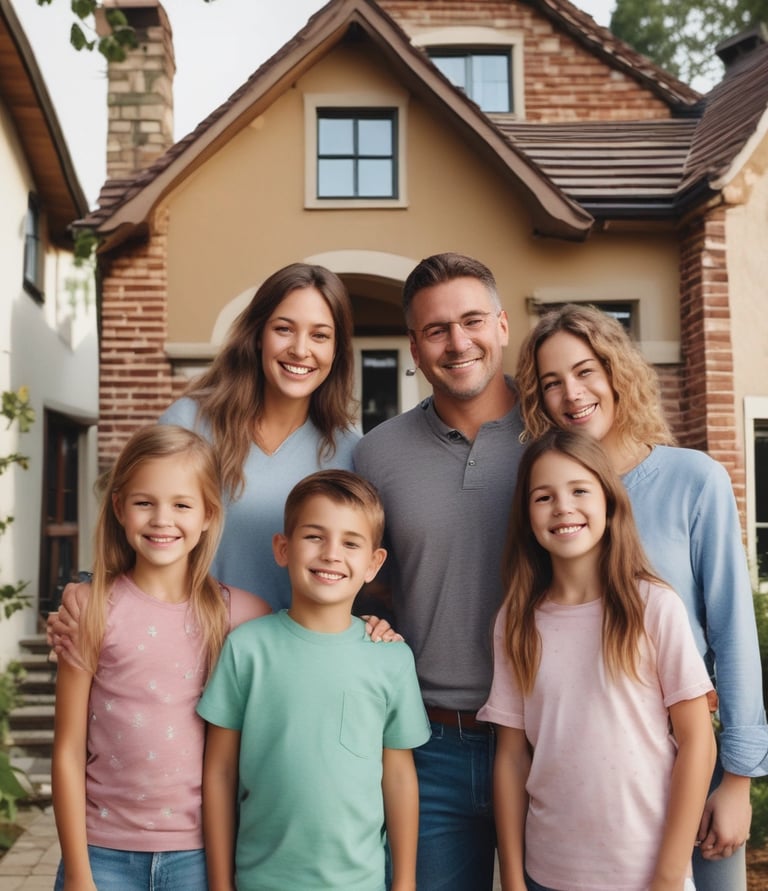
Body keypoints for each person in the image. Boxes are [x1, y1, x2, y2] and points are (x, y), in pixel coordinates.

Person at [515, 303, 768, 891]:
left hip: (694, 763)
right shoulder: (550, 499)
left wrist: (737, 779)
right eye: (551, 383)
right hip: (597, 792)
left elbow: (732, 633)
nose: (571, 394)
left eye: (585, 371)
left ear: (616, 373)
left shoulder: (693, 479)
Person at [478, 429, 717, 891]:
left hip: (649, 874)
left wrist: (669, 875)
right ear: (527, 517)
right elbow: (511, 758)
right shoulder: (515, 620)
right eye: (543, 496)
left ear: (609, 503)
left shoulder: (653, 606)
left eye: (580, 490)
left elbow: (698, 743)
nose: (563, 507)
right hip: (549, 873)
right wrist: (512, 878)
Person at [353, 252, 526, 890]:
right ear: (415, 348)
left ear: (502, 326)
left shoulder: (559, 436)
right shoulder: (378, 453)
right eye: (436, 330)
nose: (458, 342)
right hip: (427, 744)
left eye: (472, 321)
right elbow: (362, 583)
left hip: (547, 739)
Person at [51, 425, 271, 891]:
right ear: (119, 508)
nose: (161, 519)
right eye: (144, 502)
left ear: (209, 514)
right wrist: (77, 872)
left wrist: (375, 629)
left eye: (182, 504)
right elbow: (68, 750)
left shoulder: (244, 617)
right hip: (100, 854)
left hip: (198, 857)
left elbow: (313, 636)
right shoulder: (89, 610)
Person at [197, 470, 430, 891]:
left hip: (360, 883)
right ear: (283, 549)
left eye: (351, 543)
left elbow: (398, 777)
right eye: (314, 537)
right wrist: (219, 883)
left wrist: (406, 882)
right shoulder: (246, 648)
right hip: (259, 880)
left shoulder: (391, 659)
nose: (331, 554)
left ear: (373, 564)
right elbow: (219, 772)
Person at [158, 261, 360, 611]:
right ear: (257, 335)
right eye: (284, 329)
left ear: (337, 351)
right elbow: (133, 527)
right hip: (191, 647)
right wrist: (90, 592)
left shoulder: (351, 450)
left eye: (320, 335)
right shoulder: (190, 421)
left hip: (292, 658)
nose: (300, 349)